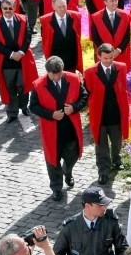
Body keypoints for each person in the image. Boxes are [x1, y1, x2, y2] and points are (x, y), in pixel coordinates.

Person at [29, 56, 89, 201]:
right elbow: (33, 107)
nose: (56, 77)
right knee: (52, 160)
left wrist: (74, 108)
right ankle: (56, 187)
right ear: (47, 72)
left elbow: (84, 96)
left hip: (71, 128)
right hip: (51, 130)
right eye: (53, 74)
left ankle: (67, 171)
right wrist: (51, 114)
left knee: (73, 155)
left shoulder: (74, 79)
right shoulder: (38, 84)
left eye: (59, 74)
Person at [83, 44, 129, 184]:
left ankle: (116, 160)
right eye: (105, 58)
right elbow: (88, 91)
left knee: (117, 142)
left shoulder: (121, 67)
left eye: (110, 58)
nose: (108, 61)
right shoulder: (90, 72)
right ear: (99, 57)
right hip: (100, 115)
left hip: (116, 113)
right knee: (101, 145)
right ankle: (103, 171)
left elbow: (122, 87)